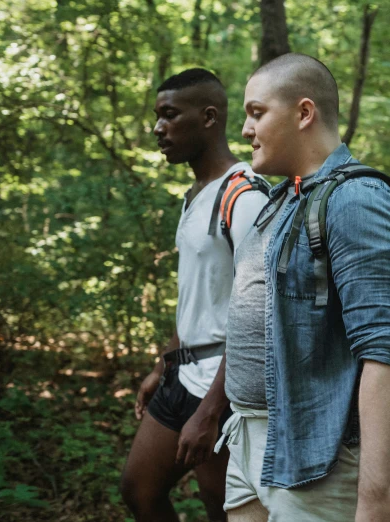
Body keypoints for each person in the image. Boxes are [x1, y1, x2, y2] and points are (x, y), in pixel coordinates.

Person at [219, 52, 390, 522]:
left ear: (304, 113)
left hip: (317, 453)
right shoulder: (287, 196)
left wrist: (375, 494)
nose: (246, 130)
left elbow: (386, 351)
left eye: (256, 112)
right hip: (249, 438)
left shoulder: (356, 201)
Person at [120, 68, 269, 522]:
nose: (157, 128)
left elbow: (261, 314)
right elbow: (199, 295)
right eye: (156, 116)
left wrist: (210, 412)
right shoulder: (194, 194)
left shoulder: (245, 197)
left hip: (223, 388)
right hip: (183, 376)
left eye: (169, 115)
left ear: (208, 117)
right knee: (138, 490)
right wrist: (164, 362)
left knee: (221, 509)